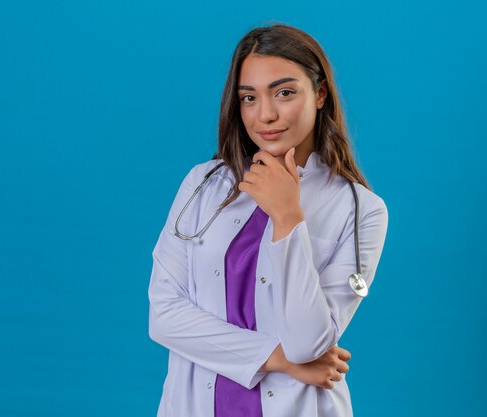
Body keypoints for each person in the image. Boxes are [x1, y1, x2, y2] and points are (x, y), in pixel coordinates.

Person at [148, 23, 389, 417]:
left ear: (321, 93)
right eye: (249, 97)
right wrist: (280, 361)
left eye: (285, 92)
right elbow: (164, 317)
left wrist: (288, 217)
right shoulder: (202, 185)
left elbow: (308, 344)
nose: (266, 114)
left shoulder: (361, 211)